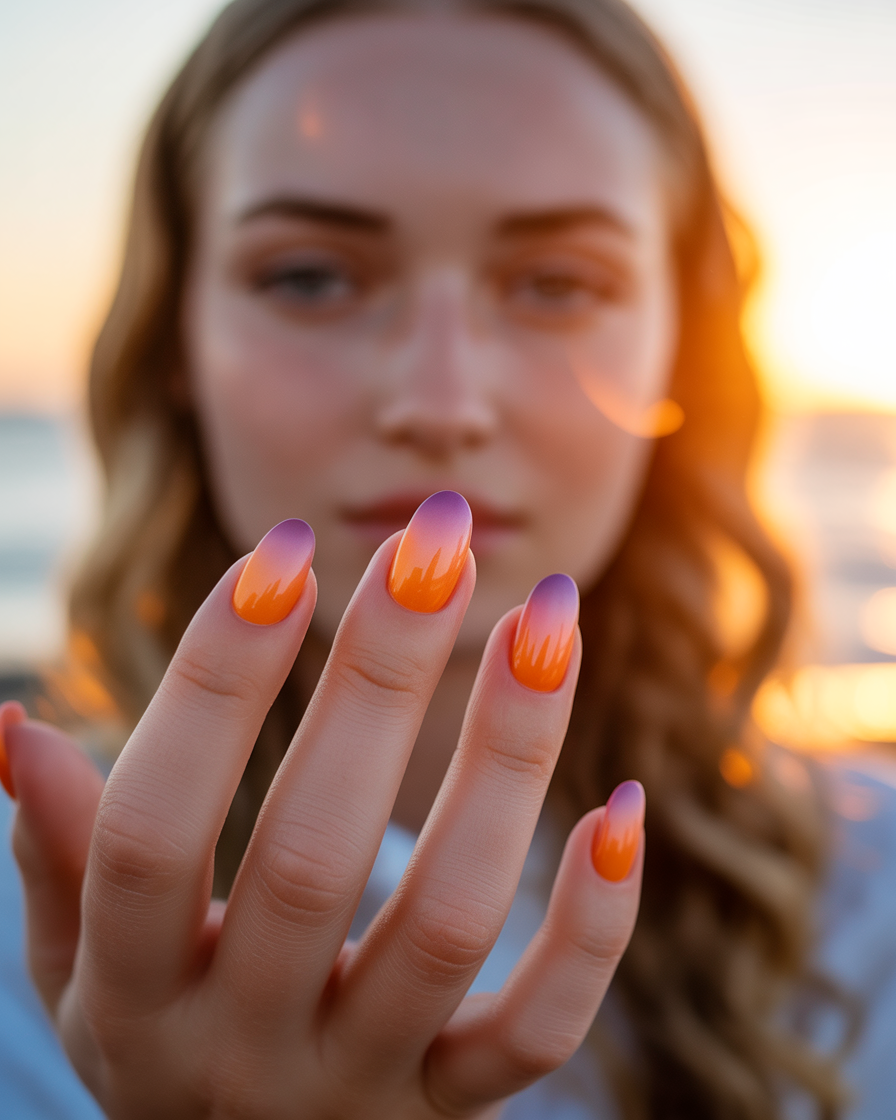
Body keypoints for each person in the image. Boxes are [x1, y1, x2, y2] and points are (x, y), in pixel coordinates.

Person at [2, 0, 896, 1116]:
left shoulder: (872, 911)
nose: (440, 403)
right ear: (172, 339)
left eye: (558, 284)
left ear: (685, 344)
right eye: (310, 276)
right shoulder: (26, 913)